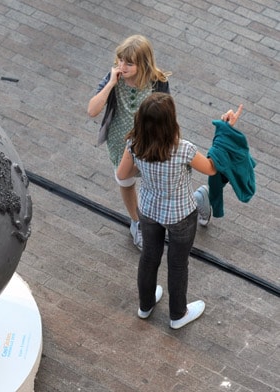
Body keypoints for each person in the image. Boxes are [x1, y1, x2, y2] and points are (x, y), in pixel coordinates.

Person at [116, 93, 243, 329]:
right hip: (181, 215)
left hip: (149, 210)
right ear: (170, 122)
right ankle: (177, 314)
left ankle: (145, 306)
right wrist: (225, 130)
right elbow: (211, 168)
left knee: (149, 257)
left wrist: (144, 169)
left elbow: (123, 175)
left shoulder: (134, 144)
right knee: (177, 264)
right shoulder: (183, 149)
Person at [87, 35, 171, 250]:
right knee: (125, 181)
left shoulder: (157, 82)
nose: (122, 66)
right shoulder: (114, 78)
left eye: (129, 63)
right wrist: (111, 85)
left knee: (155, 182)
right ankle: (137, 222)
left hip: (149, 142)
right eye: (120, 60)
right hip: (120, 143)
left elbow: (166, 114)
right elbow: (92, 110)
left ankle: (159, 216)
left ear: (142, 63)